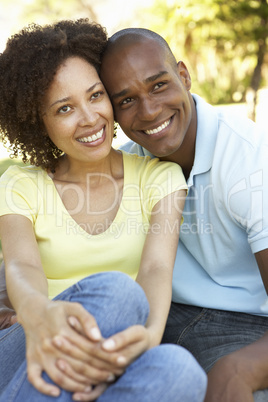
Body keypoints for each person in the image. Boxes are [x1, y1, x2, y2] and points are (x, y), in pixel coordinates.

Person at [0, 20, 207, 401]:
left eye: (96, 96)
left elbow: (157, 268)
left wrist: (148, 336)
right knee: (118, 293)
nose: (90, 118)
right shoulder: (21, 184)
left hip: (111, 355)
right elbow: (21, 266)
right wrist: (38, 313)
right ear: (37, 122)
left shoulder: (159, 179)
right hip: (31, 338)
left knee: (181, 371)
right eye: (64, 108)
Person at [98, 28, 268, 402]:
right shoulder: (129, 161)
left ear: (184, 76)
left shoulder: (249, 158)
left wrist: (240, 367)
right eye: (126, 100)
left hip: (248, 322)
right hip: (164, 311)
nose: (149, 111)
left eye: (158, 85)